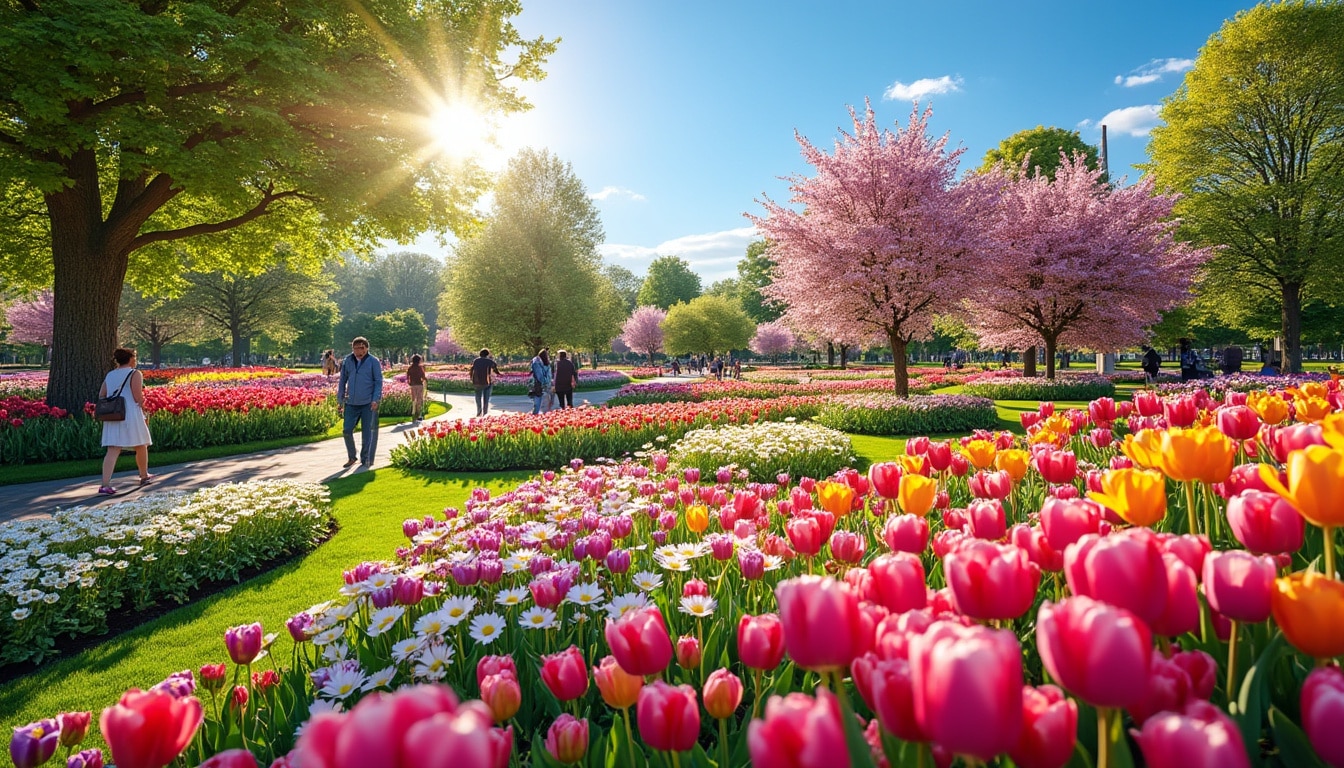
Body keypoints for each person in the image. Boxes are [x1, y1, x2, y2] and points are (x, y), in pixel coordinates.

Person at [98, 347, 153, 495]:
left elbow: (102, 394)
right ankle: (144, 475)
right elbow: (137, 397)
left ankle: (105, 484)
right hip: (130, 413)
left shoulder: (110, 375)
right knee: (140, 444)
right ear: (130, 359)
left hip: (114, 415)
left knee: (113, 449)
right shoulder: (134, 373)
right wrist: (145, 409)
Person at [337, 336, 383, 468]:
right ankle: (352, 456)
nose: (358, 350)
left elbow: (378, 381)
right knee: (346, 430)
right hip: (351, 402)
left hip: (368, 403)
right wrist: (340, 398)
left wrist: (375, 399)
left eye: (361, 347)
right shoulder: (348, 361)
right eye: (355, 348)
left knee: (367, 432)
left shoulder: (373, 361)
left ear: (367, 348)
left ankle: (365, 459)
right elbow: (342, 380)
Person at [470, 348, 501, 417]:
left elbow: (472, 369)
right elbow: (495, 368)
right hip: (486, 382)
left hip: (477, 382)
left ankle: (479, 412)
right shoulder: (489, 361)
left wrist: (471, 379)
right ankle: (485, 413)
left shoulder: (476, 361)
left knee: (478, 397)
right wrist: (499, 373)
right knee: (486, 398)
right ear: (487, 354)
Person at [529, 348, 553, 415]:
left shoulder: (540, 362)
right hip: (540, 385)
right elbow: (540, 376)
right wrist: (546, 383)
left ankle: (538, 417)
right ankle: (536, 417)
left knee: (541, 404)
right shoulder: (537, 362)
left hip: (541, 385)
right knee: (539, 403)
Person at [406, 353, 427, 422]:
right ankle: (419, 415)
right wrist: (425, 380)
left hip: (413, 385)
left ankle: (413, 413)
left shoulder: (410, 368)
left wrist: (409, 382)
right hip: (419, 385)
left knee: (413, 399)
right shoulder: (420, 368)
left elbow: (407, 376)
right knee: (419, 400)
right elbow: (423, 377)